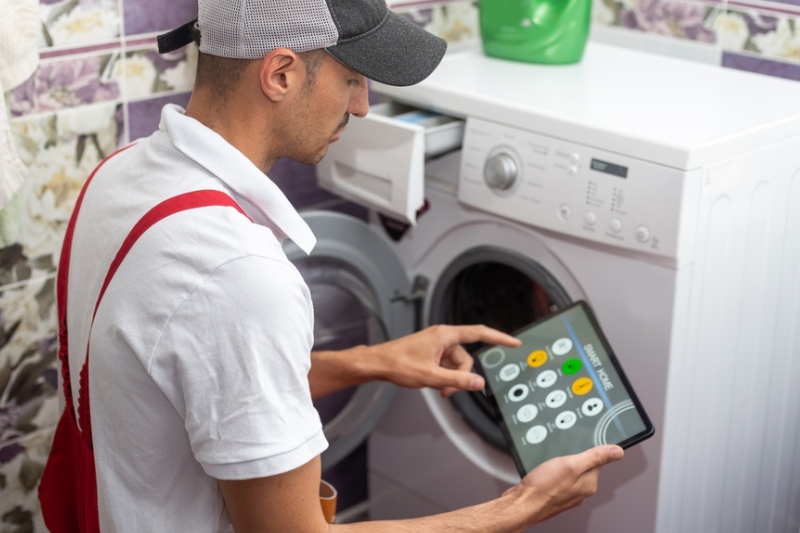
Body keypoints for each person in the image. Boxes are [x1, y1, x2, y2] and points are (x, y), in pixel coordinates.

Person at [44, 0, 623, 531]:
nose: (363, 105)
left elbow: (204, 382)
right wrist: (522, 505)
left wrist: (369, 361)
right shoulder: (236, 273)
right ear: (280, 74)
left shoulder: (118, 174)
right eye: (351, 77)